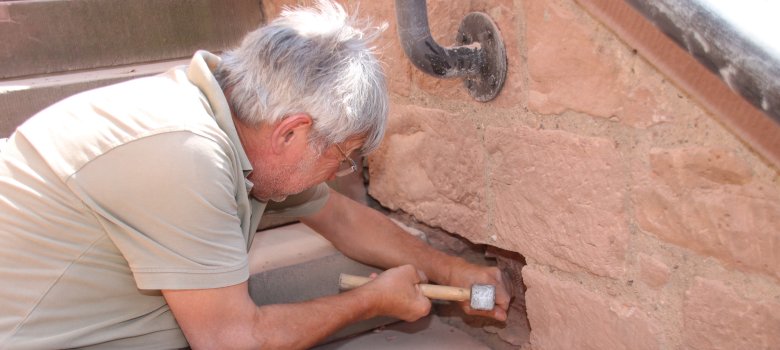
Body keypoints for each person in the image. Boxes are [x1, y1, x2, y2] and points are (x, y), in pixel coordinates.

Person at [0, 1, 510, 348]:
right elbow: (231, 341)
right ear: (291, 132)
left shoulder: (235, 122)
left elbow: (342, 220)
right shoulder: (185, 156)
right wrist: (369, 301)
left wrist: (451, 270)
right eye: (344, 156)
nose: (341, 172)